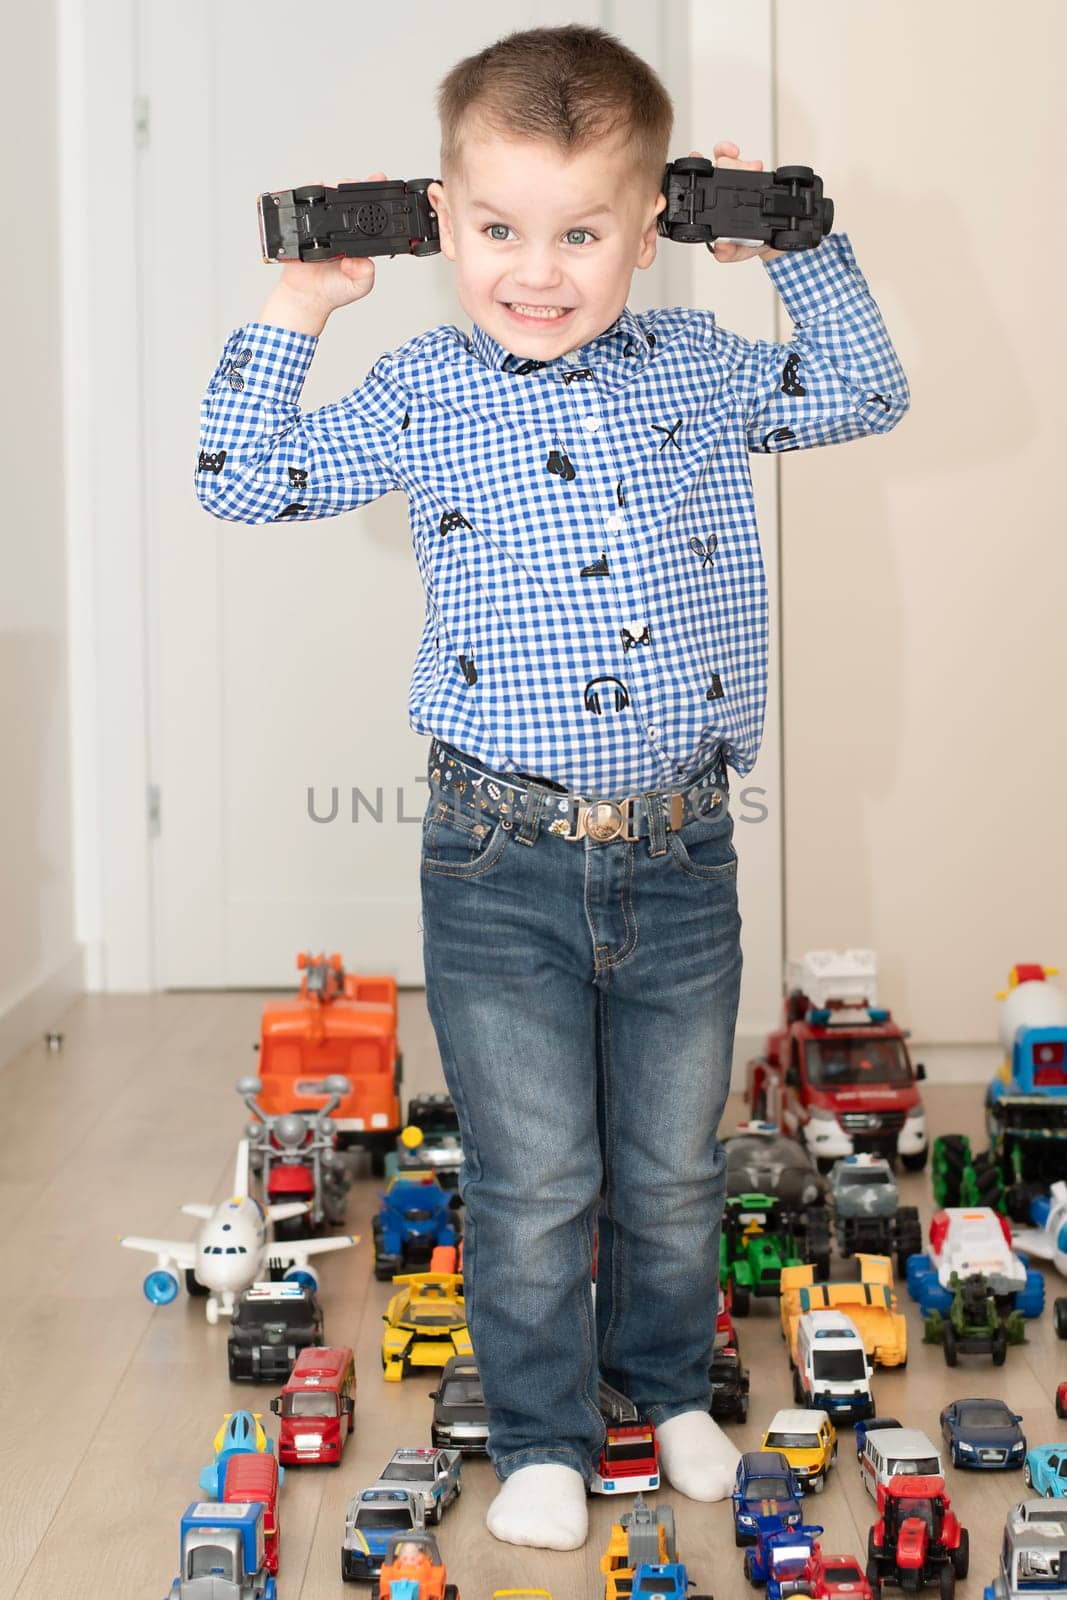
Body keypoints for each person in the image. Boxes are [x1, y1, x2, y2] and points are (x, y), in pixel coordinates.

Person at [196, 22, 909, 1553]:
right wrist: (299, 303)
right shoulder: (424, 385)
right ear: (438, 219)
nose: (540, 270)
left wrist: (794, 239)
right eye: (502, 228)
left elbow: (863, 392)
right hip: (496, 859)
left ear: (652, 231)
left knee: (665, 1171)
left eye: (584, 232)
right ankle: (537, 1429)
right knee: (534, 1180)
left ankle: (663, 1399)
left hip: (682, 854)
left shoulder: (707, 374)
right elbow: (244, 478)